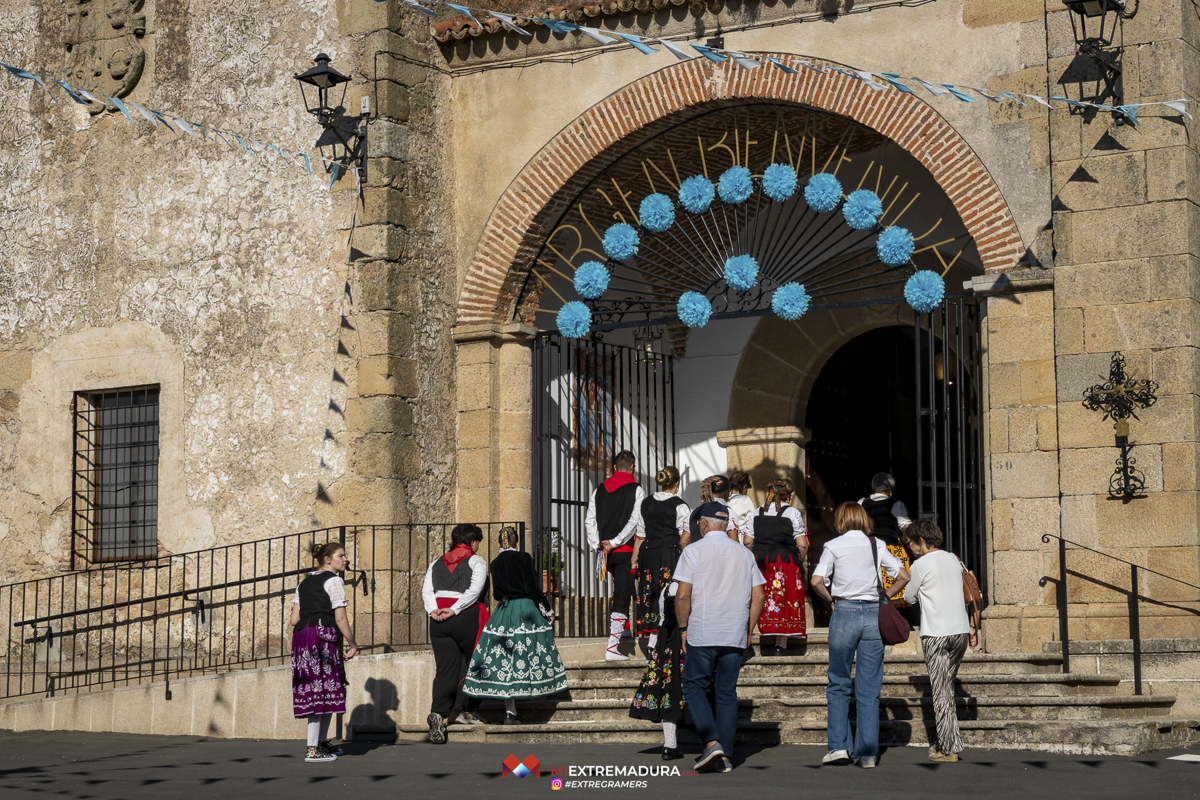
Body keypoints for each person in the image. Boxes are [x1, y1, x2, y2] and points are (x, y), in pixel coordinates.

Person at [810, 502, 910, 769]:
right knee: (868, 688)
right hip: (872, 614)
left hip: (844, 611)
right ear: (864, 519)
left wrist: (830, 600)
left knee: (839, 682)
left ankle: (839, 747)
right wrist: (884, 597)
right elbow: (903, 575)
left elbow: (816, 581)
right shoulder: (876, 544)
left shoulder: (834, 546)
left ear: (841, 520)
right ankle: (867, 753)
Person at [675, 502, 766, 774]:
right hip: (734, 632)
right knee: (726, 692)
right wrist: (747, 630)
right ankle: (724, 755)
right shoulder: (744, 554)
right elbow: (759, 595)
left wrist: (682, 628)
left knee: (693, 686)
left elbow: (682, 594)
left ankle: (712, 742)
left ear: (703, 524)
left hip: (703, 630)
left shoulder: (693, 551)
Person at [464, 527, 567, 723]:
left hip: (504, 610)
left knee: (504, 659)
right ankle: (533, 690)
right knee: (531, 653)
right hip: (526, 609)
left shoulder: (494, 564)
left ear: (497, 544)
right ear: (517, 543)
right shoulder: (524, 558)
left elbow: (495, 594)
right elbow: (534, 587)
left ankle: (510, 711)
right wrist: (547, 610)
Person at [902, 518, 980, 763]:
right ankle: (945, 741)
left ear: (921, 541)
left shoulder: (920, 564)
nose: (909, 548)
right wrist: (974, 626)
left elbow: (909, 597)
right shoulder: (954, 559)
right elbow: (970, 592)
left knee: (941, 691)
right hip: (959, 631)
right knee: (946, 686)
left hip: (935, 632)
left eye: (911, 543)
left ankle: (947, 748)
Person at [290, 541, 358, 763]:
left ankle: (320, 742)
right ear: (327, 560)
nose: (345, 559)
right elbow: (340, 617)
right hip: (322, 637)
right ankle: (312, 749)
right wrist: (352, 643)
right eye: (341, 555)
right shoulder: (335, 580)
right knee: (323, 686)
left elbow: (293, 619)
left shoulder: (304, 583)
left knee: (321, 687)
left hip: (302, 637)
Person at [421, 523, 490, 744]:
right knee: (477, 662)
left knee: (445, 669)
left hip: (438, 620)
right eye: (477, 541)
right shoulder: (476, 561)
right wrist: (455, 609)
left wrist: (433, 611)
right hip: (465, 616)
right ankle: (468, 710)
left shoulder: (436, 562)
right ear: (472, 542)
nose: (478, 545)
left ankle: (438, 714)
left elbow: (427, 590)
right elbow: (474, 590)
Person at [585, 450, 646, 660]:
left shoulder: (599, 490)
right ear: (632, 467)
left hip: (606, 553)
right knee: (623, 593)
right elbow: (635, 521)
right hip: (624, 550)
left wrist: (598, 545)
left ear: (613, 468)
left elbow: (589, 520)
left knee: (620, 589)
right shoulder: (637, 490)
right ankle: (612, 647)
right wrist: (616, 542)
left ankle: (625, 630)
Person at [744, 479, 809, 654]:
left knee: (757, 598)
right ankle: (780, 645)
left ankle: (748, 639)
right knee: (783, 599)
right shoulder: (792, 513)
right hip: (783, 563)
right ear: (789, 496)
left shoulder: (757, 512)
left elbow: (747, 541)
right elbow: (802, 544)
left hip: (760, 562)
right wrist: (799, 561)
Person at [629, 577, 687, 760]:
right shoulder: (697, 587)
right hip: (688, 640)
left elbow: (662, 619)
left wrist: (654, 645)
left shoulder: (667, 589)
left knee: (666, 691)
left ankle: (670, 745)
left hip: (667, 641)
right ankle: (714, 740)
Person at [632, 465, 691, 648]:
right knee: (668, 593)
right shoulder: (680, 505)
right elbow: (685, 536)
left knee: (651, 594)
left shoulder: (646, 503)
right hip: (668, 553)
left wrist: (634, 559)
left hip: (648, 554)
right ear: (677, 483)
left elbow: (640, 535)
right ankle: (661, 640)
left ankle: (652, 640)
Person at [858, 472, 914, 613]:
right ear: (890, 488)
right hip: (891, 548)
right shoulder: (896, 504)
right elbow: (905, 526)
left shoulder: (861, 503)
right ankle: (891, 613)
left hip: (868, 549)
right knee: (895, 578)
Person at [726, 471, 757, 545]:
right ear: (744, 487)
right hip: (740, 540)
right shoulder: (745, 499)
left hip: (725, 540)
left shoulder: (725, 500)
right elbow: (753, 522)